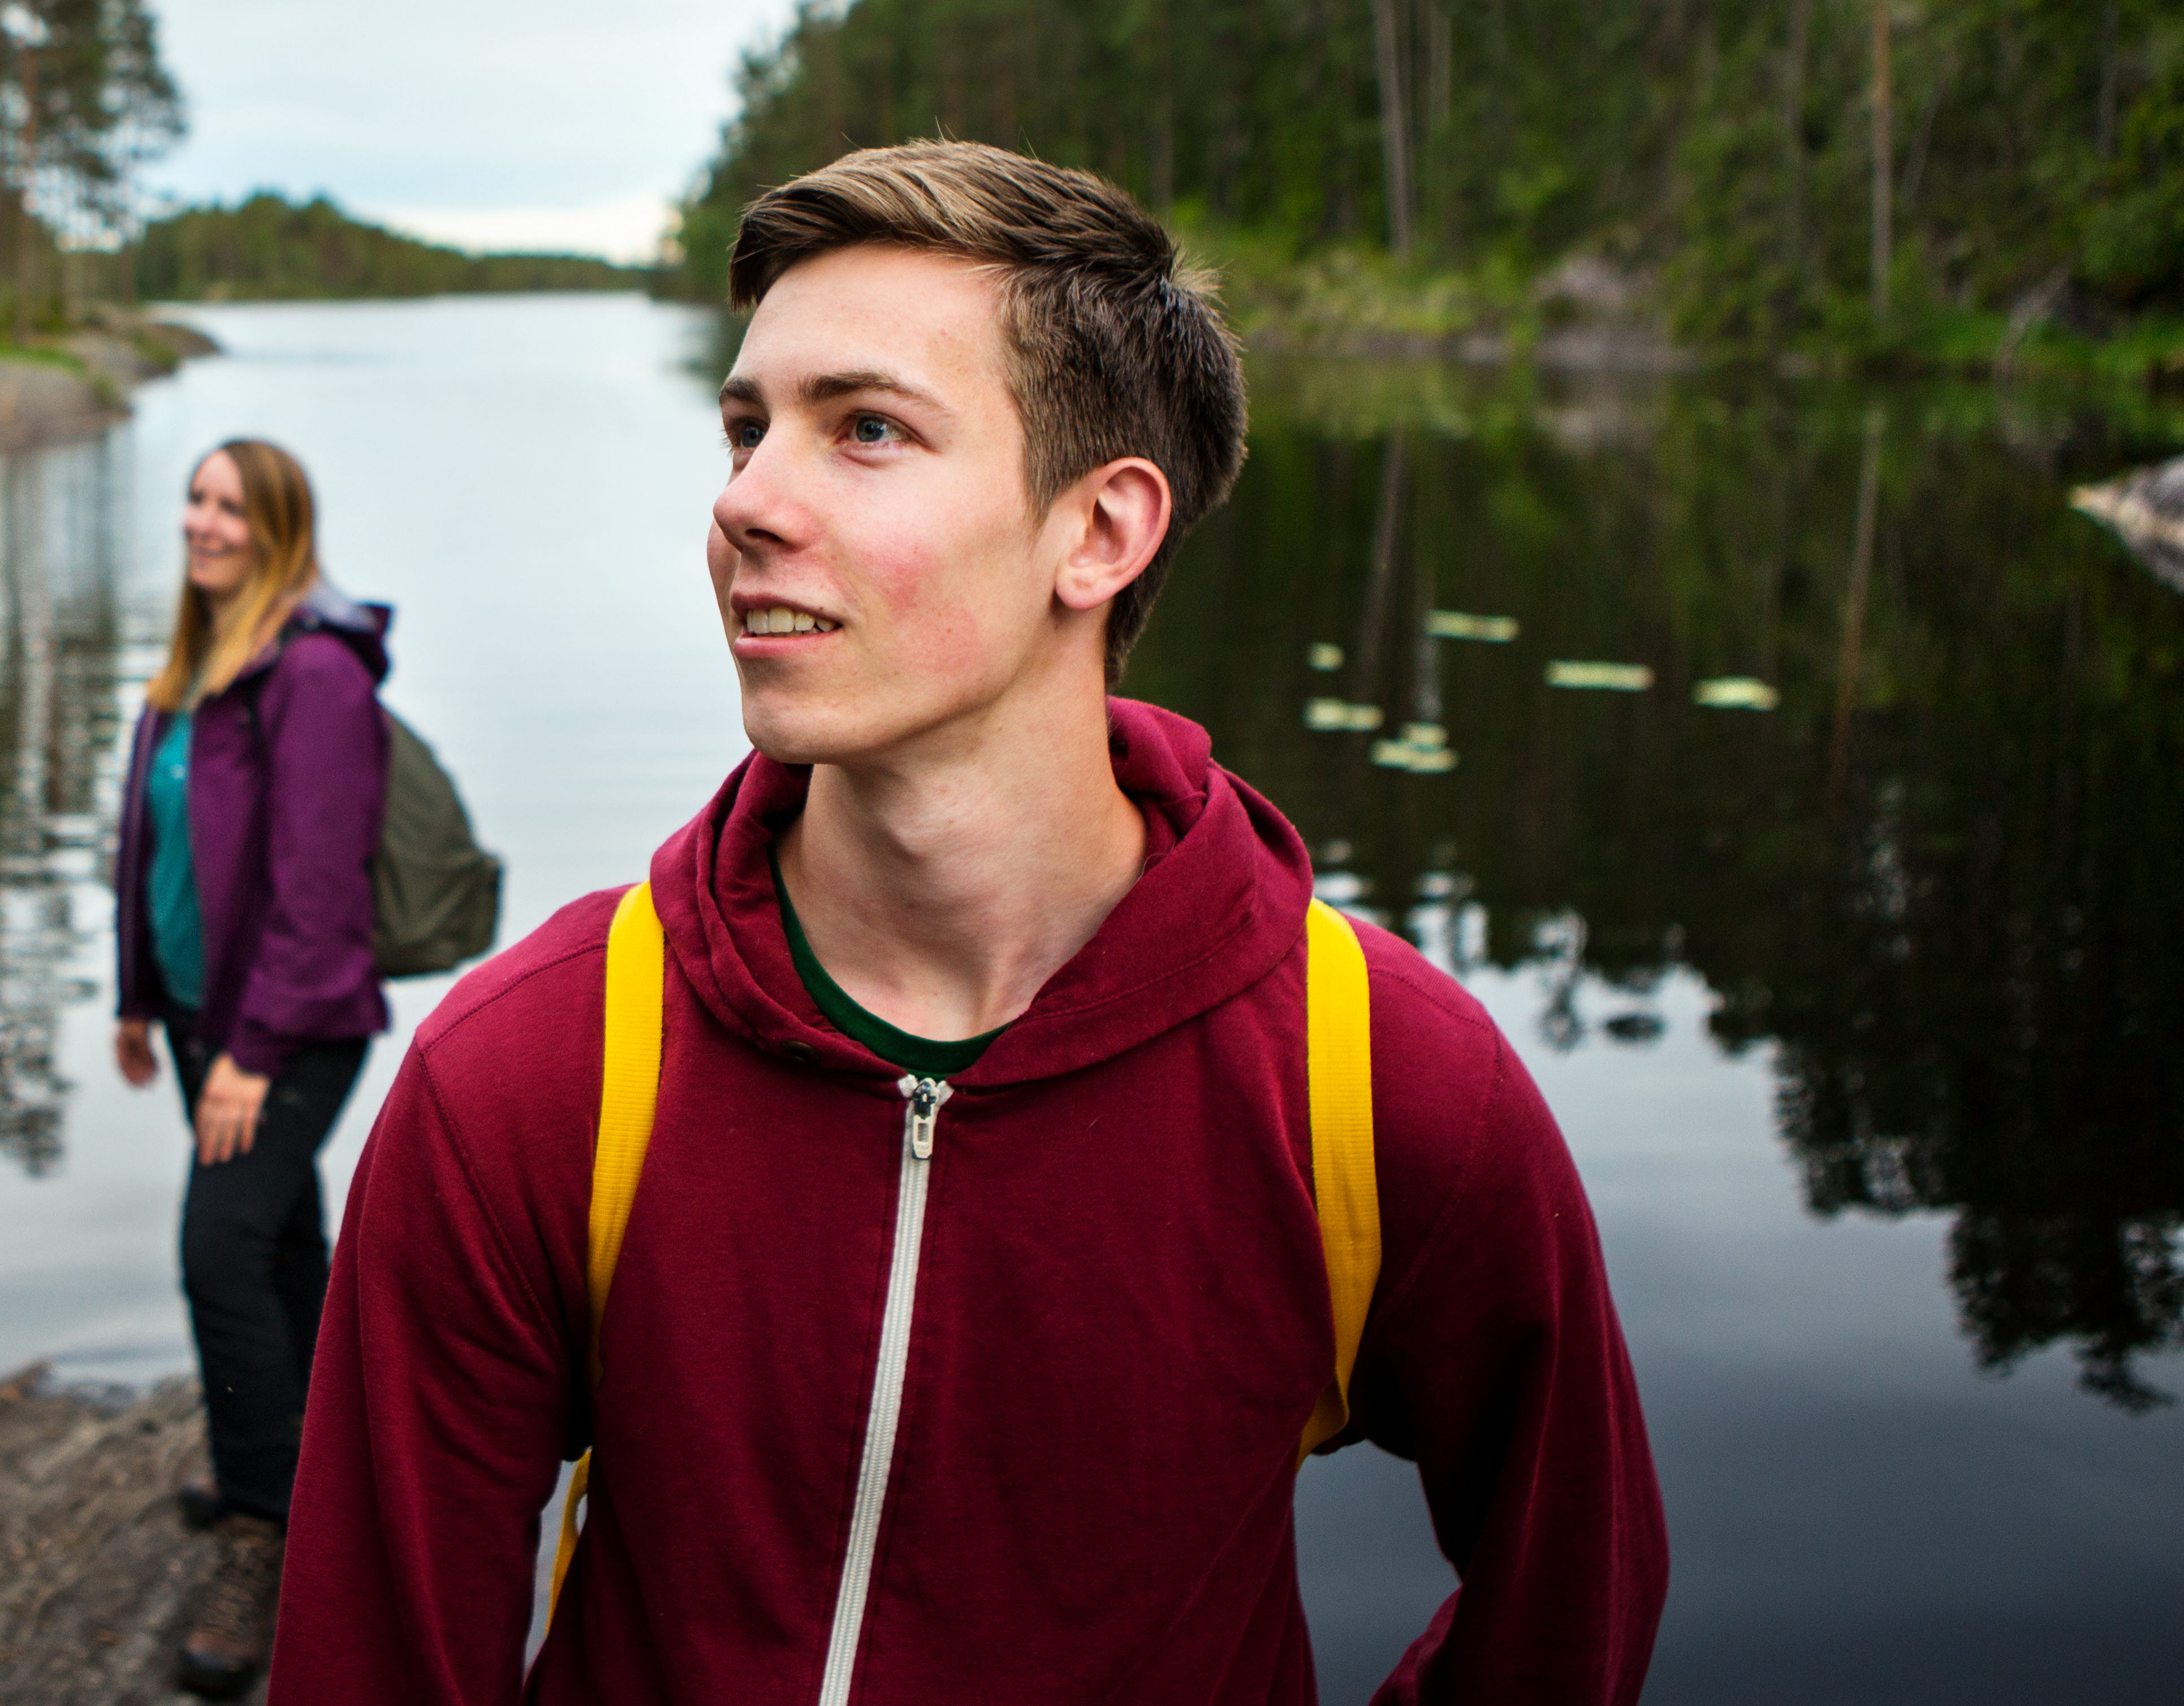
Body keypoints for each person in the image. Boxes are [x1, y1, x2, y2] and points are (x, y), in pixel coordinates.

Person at [273, 142, 1669, 1703]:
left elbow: (1573, 1592)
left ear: (1101, 533)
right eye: (746, 429)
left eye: (865, 429)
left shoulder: (1377, 1088)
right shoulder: (538, 1072)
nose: (745, 501)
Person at [109, 436, 394, 1699]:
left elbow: (319, 886)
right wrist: (137, 996)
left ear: (279, 525)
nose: (204, 522)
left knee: (217, 1249)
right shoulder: (191, 666)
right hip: (196, 1016)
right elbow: (152, 846)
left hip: (286, 1024)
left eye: (232, 506)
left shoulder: (315, 674)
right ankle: (308, 1466)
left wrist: (251, 1052)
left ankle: (263, 1521)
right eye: (196, 498)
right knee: (275, 1243)